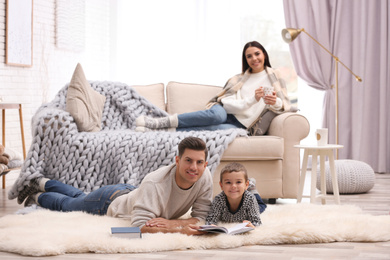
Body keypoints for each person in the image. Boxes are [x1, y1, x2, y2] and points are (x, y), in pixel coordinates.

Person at [17, 137, 213, 235]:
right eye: (188, 161)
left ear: (205, 163)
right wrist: (178, 228)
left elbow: (201, 216)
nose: (194, 168)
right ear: (177, 161)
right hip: (110, 201)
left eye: (199, 162)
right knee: (69, 205)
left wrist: (173, 223)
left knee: (79, 196)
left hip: (130, 192)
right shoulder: (156, 183)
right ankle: (36, 195)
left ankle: (40, 182)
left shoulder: (205, 177)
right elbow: (138, 227)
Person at [135, 41, 295, 134]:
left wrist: (273, 101)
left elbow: (282, 106)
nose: (254, 58)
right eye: (249, 56)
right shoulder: (238, 79)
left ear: (264, 55)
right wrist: (254, 99)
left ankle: (158, 130)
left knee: (212, 129)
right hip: (225, 112)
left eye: (257, 53)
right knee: (216, 117)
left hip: (241, 124)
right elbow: (227, 104)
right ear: (245, 59)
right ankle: (161, 121)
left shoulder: (275, 76)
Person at [201, 162, 266, 228]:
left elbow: (257, 222)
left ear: (246, 184)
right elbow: (210, 220)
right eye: (228, 182)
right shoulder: (219, 200)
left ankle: (251, 186)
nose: (233, 186)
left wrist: (252, 225)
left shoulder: (250, 199)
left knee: (260, 207)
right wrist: (211, 226)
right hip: (241, 191)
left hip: (249, 195)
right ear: (221, 185)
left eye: (238, 182)